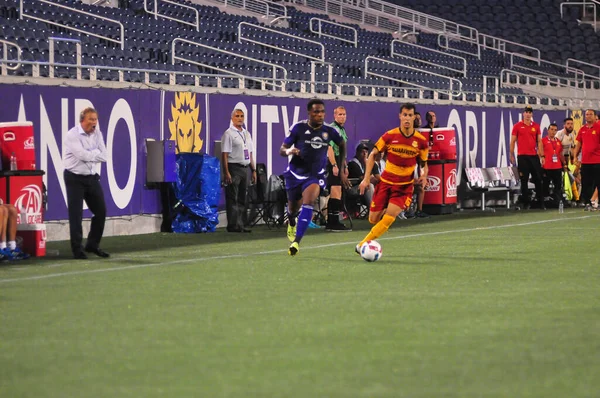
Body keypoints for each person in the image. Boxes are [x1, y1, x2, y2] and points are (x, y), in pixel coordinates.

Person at [355, 103, 428, 253]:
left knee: (390, 217)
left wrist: (424, 175)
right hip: (386, 183)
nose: (407, 118)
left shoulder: (421, 142)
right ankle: (376, 230)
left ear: (414, 117)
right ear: (400, 116)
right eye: (405, 115)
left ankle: (362, 244)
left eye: (410, 115)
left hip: (404, 187)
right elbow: (372, 155)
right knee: (373, 220)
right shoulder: (389, 136)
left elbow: (424, 164)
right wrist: (366, 179)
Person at [280, 99, 347, 256]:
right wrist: (290, 151)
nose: (320, 115)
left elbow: (342, 143)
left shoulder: (329, 131)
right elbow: (282, 149)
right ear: (309, 113)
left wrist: (342, 165)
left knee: (309, 202)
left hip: (315, 175)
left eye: (322, 111)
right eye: (316, 112)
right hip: (295, 174)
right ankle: (291, 221)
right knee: (293, 208)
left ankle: (296, 242)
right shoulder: (298, 128)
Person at [63, 107, 110, 259]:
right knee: (76, 214)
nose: (94, 123)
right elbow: (81, 155)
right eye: (91, 119)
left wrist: (94, 155)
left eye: (95, 119)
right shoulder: (72, 135)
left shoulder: (97, 133)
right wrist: (95, 154)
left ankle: (92, 244)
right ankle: (77, 249)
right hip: (74, 177)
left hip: (91, 177)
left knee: (101, 211)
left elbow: (105, 156)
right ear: (82, 120)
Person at [221, 108, 256, 233]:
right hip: (234, 167)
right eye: (237, 116)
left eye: (241, 116)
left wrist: (254, 169)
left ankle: (241, 224)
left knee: (242, 197)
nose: (240, 118)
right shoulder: (228, 134)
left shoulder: (247, 133)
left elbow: (250, 153)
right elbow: (224, 154)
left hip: (245, 168)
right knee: (232, 197)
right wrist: (226, 172)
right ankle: (232, 225)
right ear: (232, 118)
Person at [509, 105, 545, 209]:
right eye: (526, 112)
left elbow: (539, 141)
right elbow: (513, 141)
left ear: (532, 114)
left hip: (533, 156)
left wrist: (542, 155)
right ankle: (525, 202)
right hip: (522, 157)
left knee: (538, 179)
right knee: (524, 180)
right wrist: (511, 154)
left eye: (530, 112)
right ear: (523, 114)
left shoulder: (536, 126)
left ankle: (540, 202)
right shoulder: (517, 126)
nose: (528, 114)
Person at [325, 106, 351, 231]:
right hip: (333, 161)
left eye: (344, 114)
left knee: (337, 191)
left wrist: (344, 165)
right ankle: (333, 222)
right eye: (340, 114)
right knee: (335, 191)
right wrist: (334, 165)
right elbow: (329, 148)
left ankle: (332, 221)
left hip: (339, 160)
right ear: (334, 116)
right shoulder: (333, 129)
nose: (342, 117)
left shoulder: (342, 130)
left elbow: (342, 150)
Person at [572, 109, 600, 211]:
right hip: (586, 161)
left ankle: (598, 202)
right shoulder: (582, 129)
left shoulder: (598, 127)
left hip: (597, 160)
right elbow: (578, 143)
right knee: (586, 183)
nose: (588, 116)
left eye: (590, 114)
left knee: (598, 182)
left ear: (594, 116)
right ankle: (588, 203)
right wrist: (575, 156)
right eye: (586, 114)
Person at [347, 142, 380, 213]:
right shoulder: (353, 163)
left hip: (363, 188)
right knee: (369, 186)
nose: (365, 154)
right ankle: (373, 211)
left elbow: (378, 178)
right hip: (353, 188)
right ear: (357, 153)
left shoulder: (372, 163)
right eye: (362, 152)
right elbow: (364, 178)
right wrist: (366, 162)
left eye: (366, 152)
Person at [541, 123, 566, 206]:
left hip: (557, 167)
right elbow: (539, 152)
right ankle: (545, 201)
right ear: (548, 130)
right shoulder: (543, 141)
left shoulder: (558, 141)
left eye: (555, 130)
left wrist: (564, 164)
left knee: (558, 185)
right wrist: (542, 159)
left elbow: (560, 154)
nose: (553, 131)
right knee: (545, 185)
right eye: (551, 129)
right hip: (547, 167)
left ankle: (557, 201)